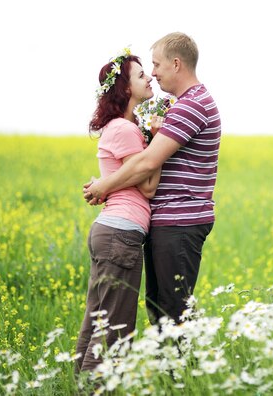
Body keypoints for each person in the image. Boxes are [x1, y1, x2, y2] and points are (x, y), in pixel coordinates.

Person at [83, 32, 221, 326]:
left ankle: (180, 372)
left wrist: (103, 187)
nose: (154, 73)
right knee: (160, 311)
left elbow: (147, 162)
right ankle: (169, 372)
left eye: (156, 65)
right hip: (168, 222)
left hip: (180, 221)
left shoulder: (191, 105)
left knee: (172, 312)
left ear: (175, 64)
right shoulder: (182, 104)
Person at [75, 48, 162, 373]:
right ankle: (95, 389)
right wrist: (156, 137)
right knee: (114, 331)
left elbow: (123, 178)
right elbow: (148, 187)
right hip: (121, 235)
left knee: (96, 323)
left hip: (111, 233)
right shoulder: (125, 130)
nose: (150, 76)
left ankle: (81, 387)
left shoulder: (119, 127)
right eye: (141, 75)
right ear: (125, 89)